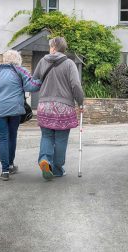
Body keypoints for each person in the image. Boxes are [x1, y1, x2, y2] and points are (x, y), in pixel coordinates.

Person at [0, 50, 41, 181]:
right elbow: (32, 86)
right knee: (12, 136)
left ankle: (5, 171)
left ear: (4, 60)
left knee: (2, 139)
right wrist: (42, 80)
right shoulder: (19, 71)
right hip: (15, 110)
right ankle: (10, 164)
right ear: (17, 60)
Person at [33, 37, 84, 180]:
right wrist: (80, 102)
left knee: (47, 135)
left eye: (50, 46)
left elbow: (35, 81)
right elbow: (75, 85)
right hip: (64, 106)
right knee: (61, 138)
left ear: (54, 47)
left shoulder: (43, 61)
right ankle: (57, 169)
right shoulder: (69, 64)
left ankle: (45, 160)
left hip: (45, 105)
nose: (50, 49)